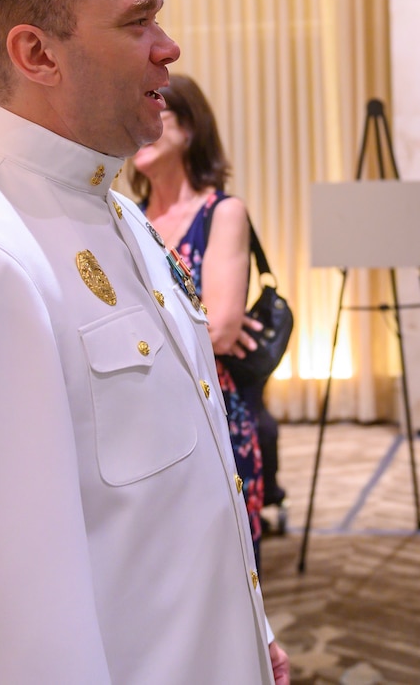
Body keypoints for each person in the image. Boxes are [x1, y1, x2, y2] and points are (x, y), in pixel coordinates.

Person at [0, 0, 289, 684]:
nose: (169, 46)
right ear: (37, 53)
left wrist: (247, 630)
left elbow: (178, 486)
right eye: (139, 22)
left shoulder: (119, 211)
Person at [128, 73, 271, 571]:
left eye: (155, 112)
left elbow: (222, 330)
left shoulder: (222, 211)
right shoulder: (128, 218)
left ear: (188, 128)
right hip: (143, 418)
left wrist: (132, 342)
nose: (141, 127)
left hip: (213, 413)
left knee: (225, 570)